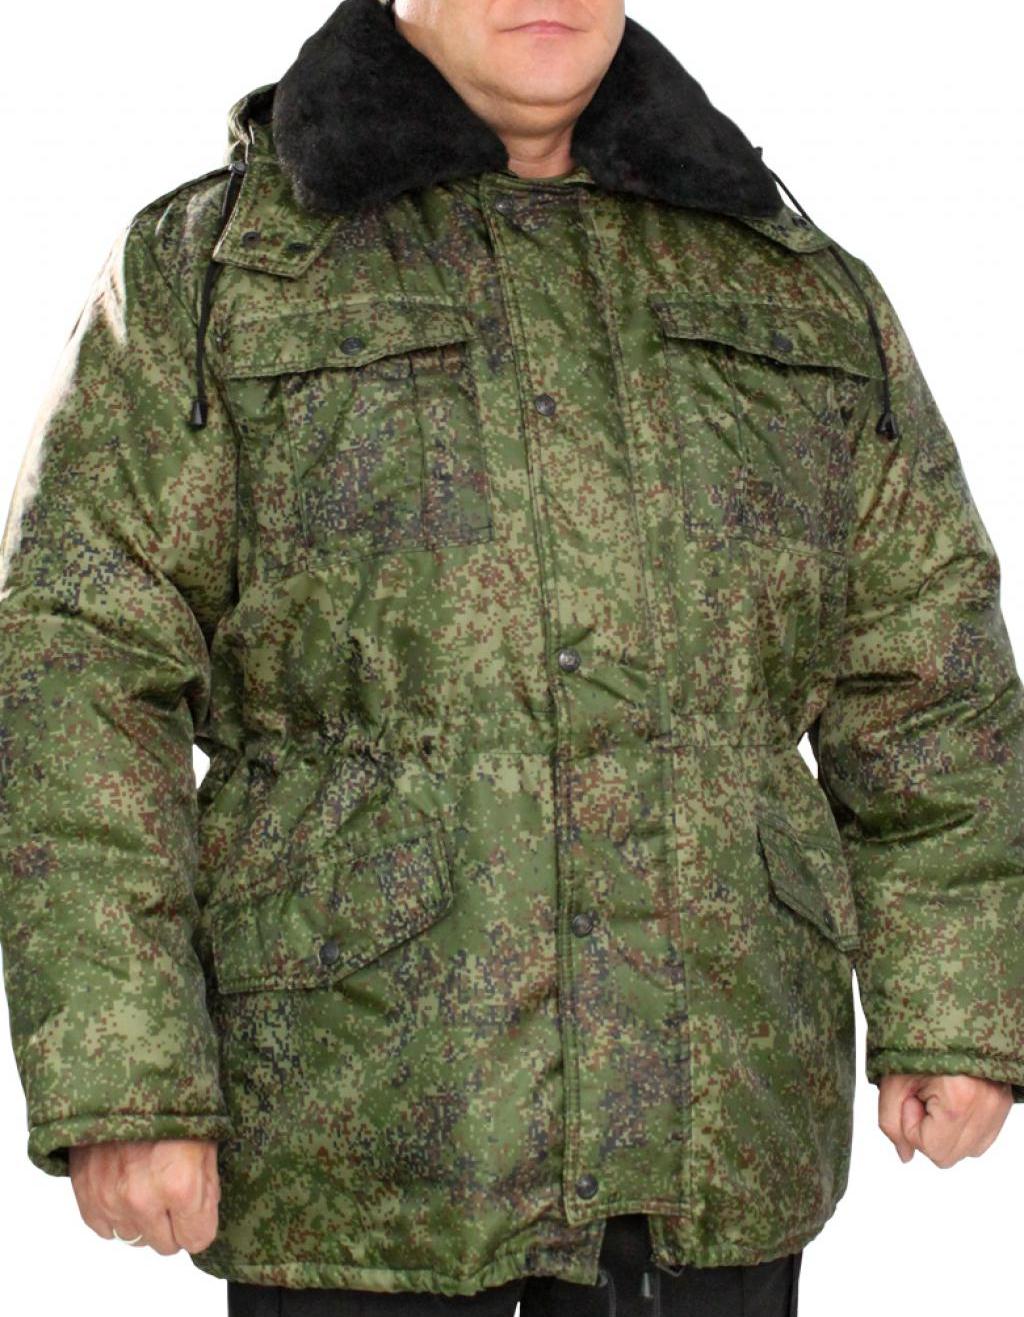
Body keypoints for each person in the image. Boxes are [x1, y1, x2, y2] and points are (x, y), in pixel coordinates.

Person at [0, 0, 1021, 1314]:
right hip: (361, 1161)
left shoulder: (790, 278)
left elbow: (928, 671)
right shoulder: (221, 269)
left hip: (717, 1153)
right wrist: (129, 1080)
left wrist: (957, 1001)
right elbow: (81, 670)